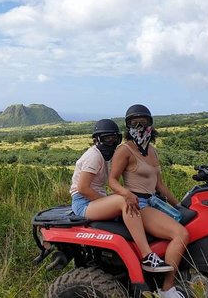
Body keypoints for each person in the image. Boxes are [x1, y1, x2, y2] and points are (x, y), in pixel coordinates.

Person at [70, 118, 172, 273]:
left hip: (93, 199)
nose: (110, 142)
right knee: (124, 200)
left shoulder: (106, 156)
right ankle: (147, 256)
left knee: (124, 202)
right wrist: (109, 201)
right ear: (97, 139)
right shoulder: (94, 156)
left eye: (114, 139)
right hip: (83, 202)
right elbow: (83, 188)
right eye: (106, 139)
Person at [109, 105, 190, 298]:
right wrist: (126, 194)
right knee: (181, 234)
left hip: (154, 201)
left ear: (150, 125)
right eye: (133, 122)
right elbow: (112, 180)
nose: (138, 126)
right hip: (139, 204)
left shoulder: (152, 151)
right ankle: (167, 289)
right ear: (127, 126)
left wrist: (181, 205)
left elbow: (159, 185)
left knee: (191, 222)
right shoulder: (124, 150)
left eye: (143, 122)